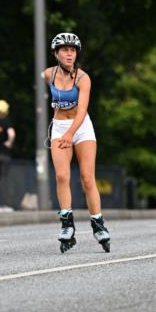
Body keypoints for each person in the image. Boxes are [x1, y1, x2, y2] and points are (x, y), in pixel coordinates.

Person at [44, 32, 111, 253]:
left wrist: (70, 135)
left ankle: (98, 224)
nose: (69, 54)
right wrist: (61, 132)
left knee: (87, 178)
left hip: (80, 128)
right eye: (64, 50)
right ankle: (67, 224)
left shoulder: (83, 79)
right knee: (62, 175)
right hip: (59, 127)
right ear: (56, 54)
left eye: (72, 50)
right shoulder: (47, 75)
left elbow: (82, 111)